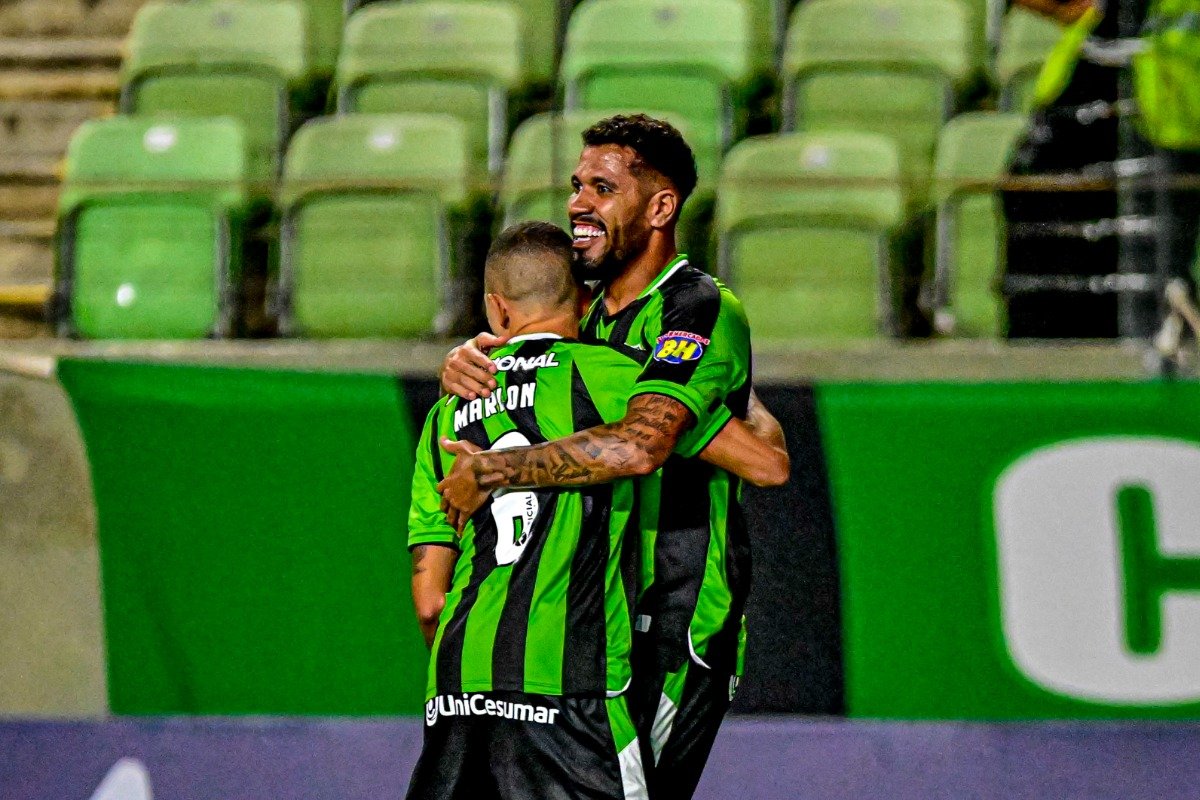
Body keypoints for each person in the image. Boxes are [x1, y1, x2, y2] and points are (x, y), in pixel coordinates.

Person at [436, 115, 785, 800]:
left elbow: (641, 445)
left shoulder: (697, 306)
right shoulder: (587, 320)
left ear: (660, 207)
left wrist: (495, 469)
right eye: (575, 187)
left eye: (602, 187)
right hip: (598, 624)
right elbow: (756, 439)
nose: (577, 205)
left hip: (676, 618)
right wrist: (469, 357)